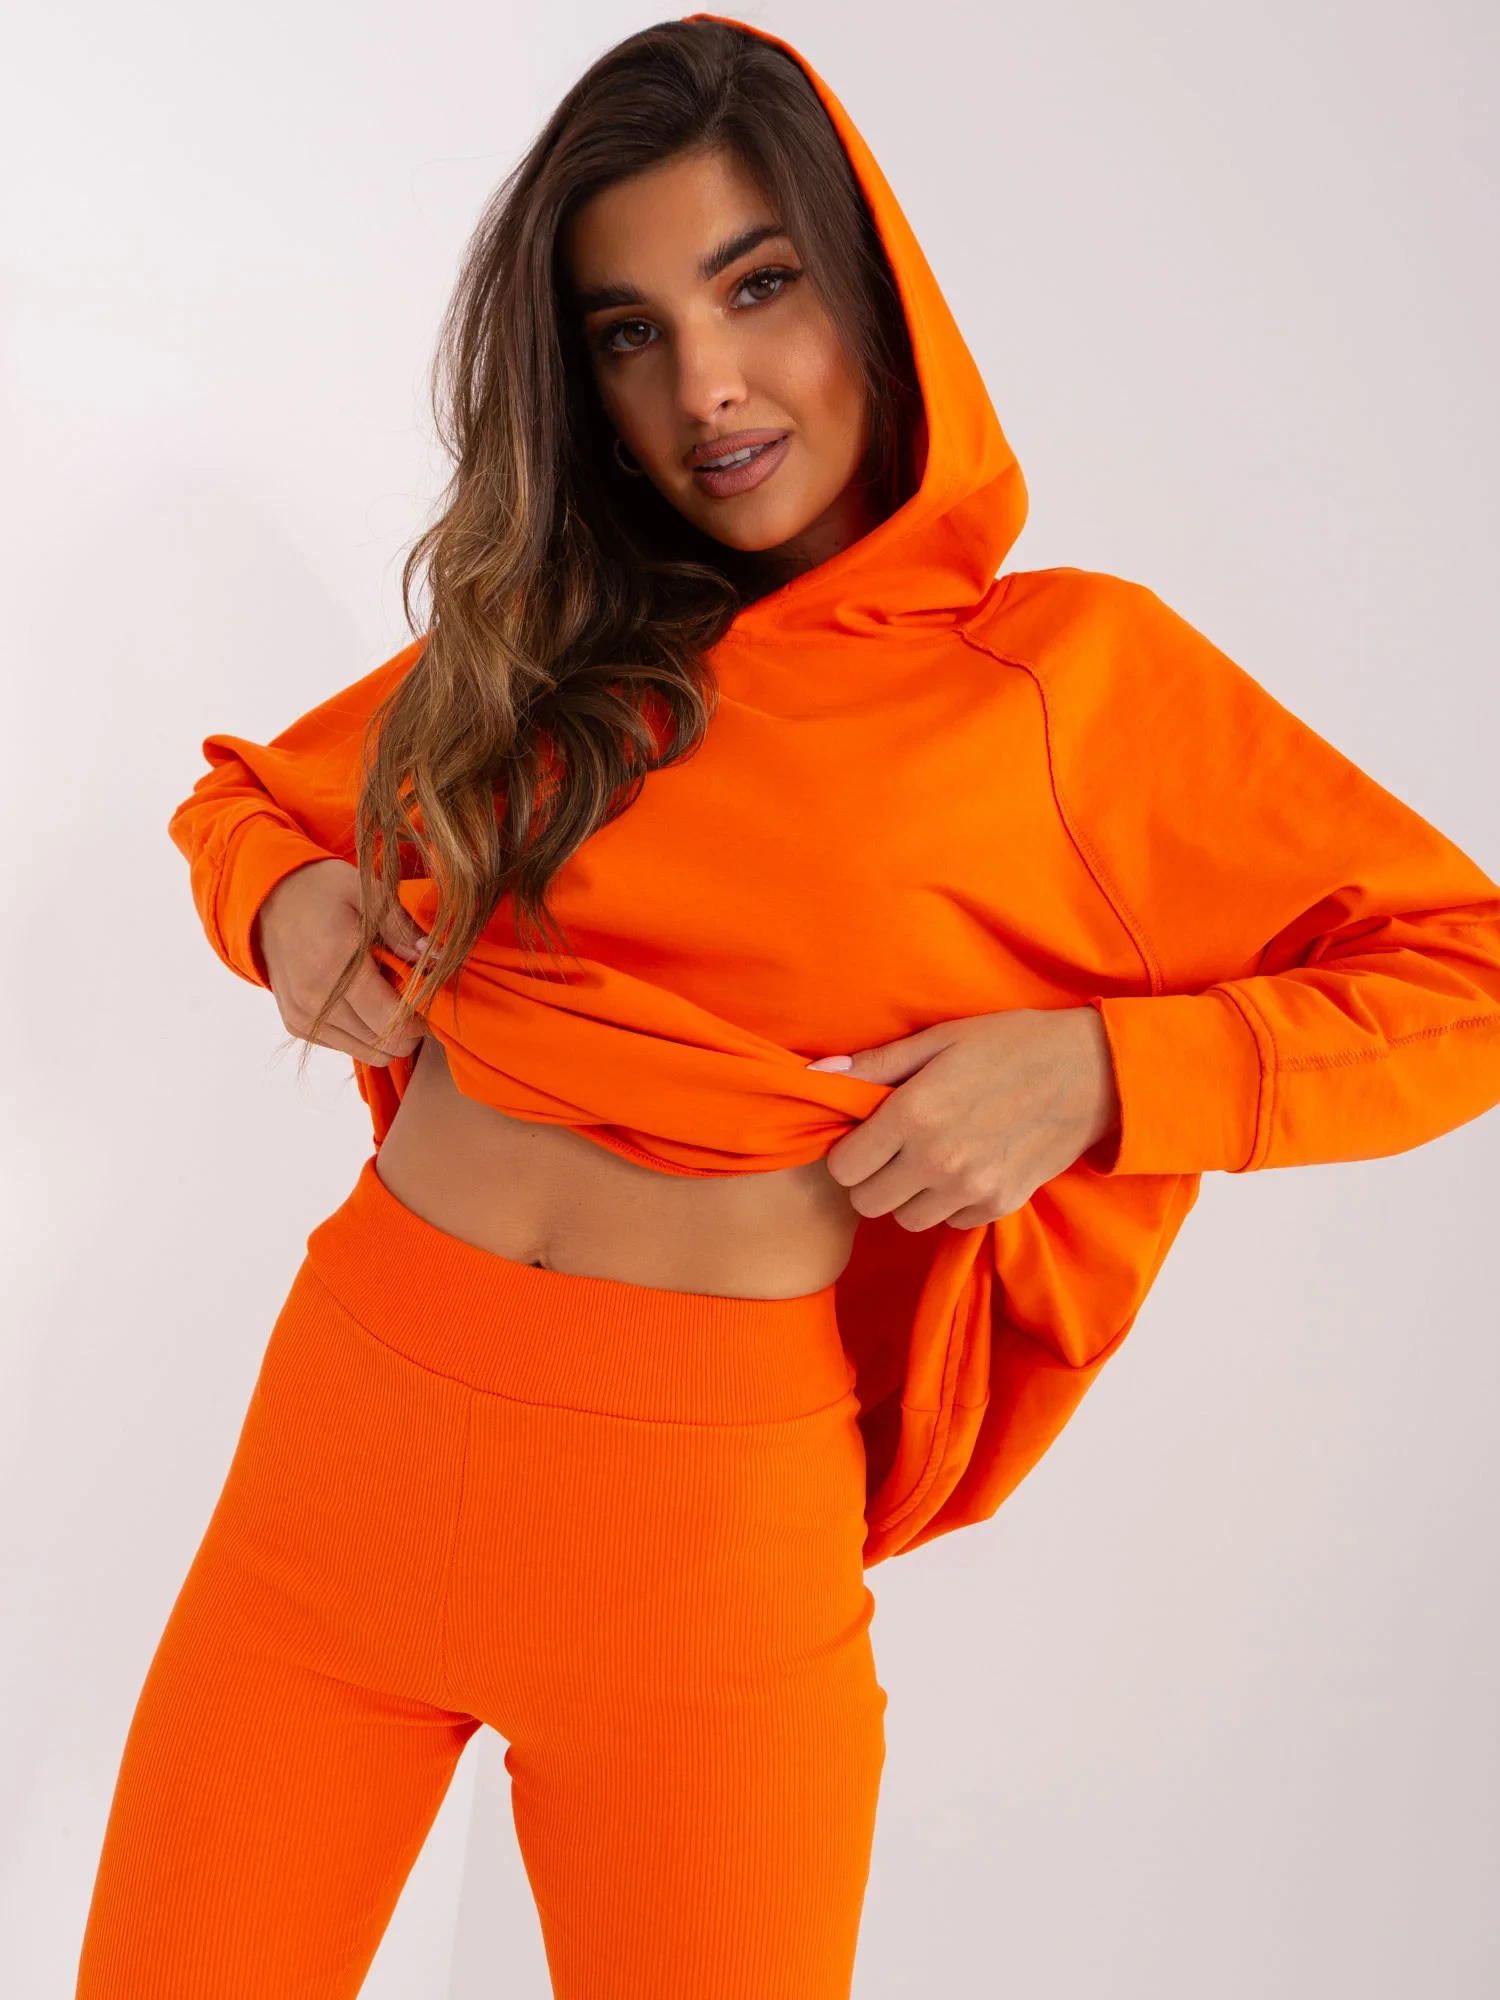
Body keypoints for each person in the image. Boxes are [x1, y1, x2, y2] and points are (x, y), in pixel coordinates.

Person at [75, 13, 1500, 1999]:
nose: (706, 387)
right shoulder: (562, 643)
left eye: (758, 288)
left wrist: (1105, 1069)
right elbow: (246, 803)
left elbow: (1463, 974)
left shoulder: (1068, 681)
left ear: (875, 289)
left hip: (705, 1535)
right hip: (347, 1440)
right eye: (630, 332)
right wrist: (284, 899)